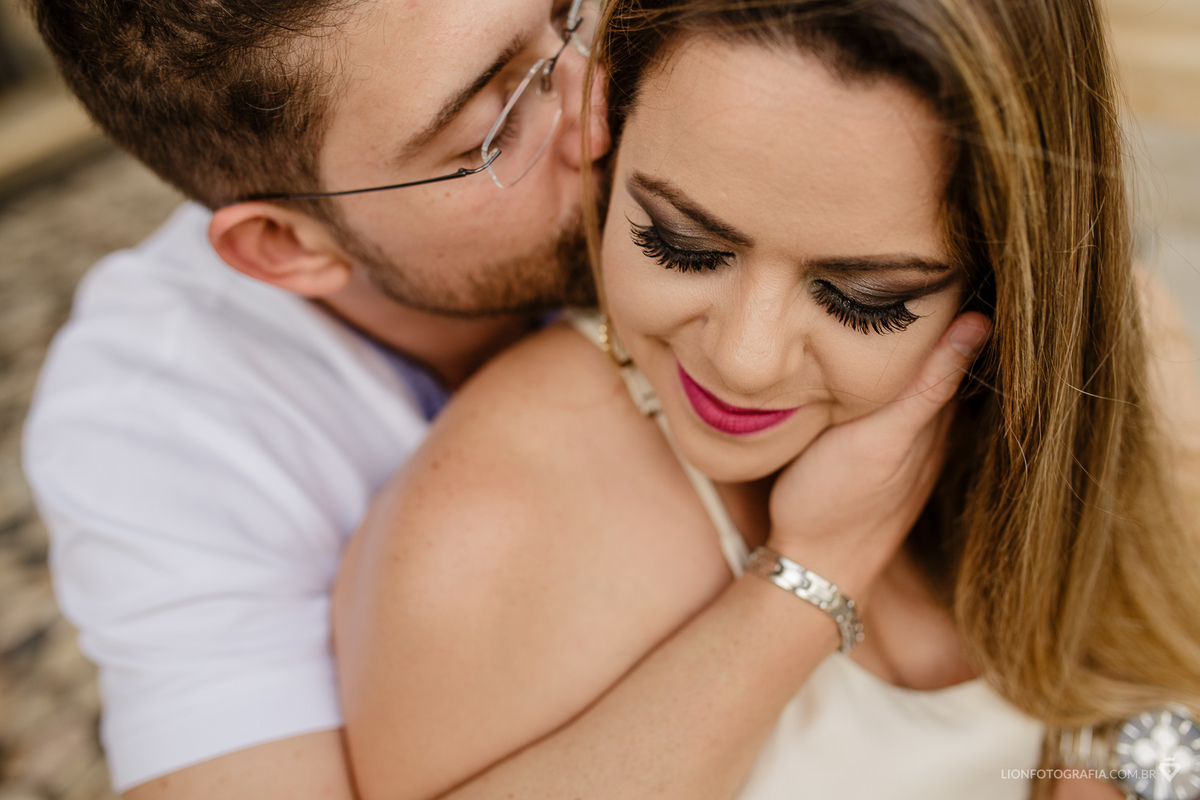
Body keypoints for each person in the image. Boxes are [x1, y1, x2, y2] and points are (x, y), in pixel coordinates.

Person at [20, 0, 983, 797]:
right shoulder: (155, 429)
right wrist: (814, 577)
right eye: (495, 126)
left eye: (568, 15)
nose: (600, 104)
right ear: (290, 248)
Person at [333, 1, 1200, 799]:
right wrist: (811, 578)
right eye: (679, 243)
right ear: (605, 128)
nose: (744, 363)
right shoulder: (489, 530)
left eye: (867, 298)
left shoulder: (1128, 369)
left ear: (1004, 279)